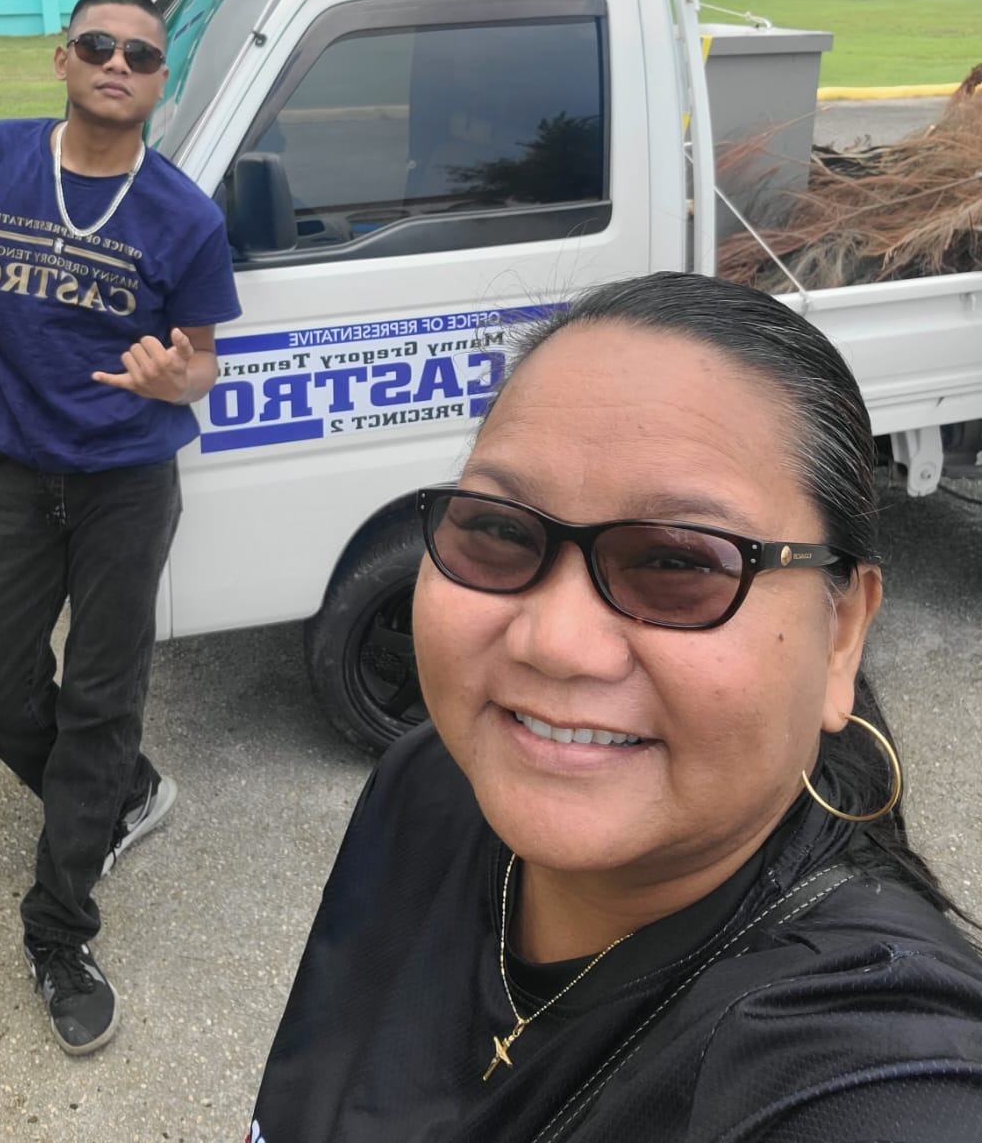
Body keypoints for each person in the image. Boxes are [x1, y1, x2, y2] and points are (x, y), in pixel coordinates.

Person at [248, 271, 982, 1141]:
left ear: (841, 634)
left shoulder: (862, 1052)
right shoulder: (428, 782)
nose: (554, 643)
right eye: (500, 530)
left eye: (677, 563)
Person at [0, 0, 240, 1056]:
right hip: (12, 473)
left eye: (141, 56)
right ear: (64, 57)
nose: (118, 63)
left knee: (103, 698)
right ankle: (121, 793)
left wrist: (170, 379)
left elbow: (202, 360)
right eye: (99, 44)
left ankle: (58, 927)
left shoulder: (184, 215)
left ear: (159, 84)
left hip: (126, 485)